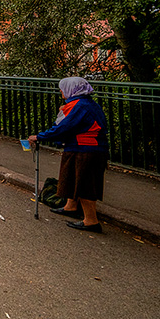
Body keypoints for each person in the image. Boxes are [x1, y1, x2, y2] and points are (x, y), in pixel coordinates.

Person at [28, 77, 109, 232]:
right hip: (81, 148)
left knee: (85, 183)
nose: (61, 91)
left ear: (72, 89)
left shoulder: (79, 106)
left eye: (63, 88)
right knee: (72, 177)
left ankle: (91, 221)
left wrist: (39, 137)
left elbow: (62, 128)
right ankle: (70, 206)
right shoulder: (85, 104)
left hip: (86, 150)